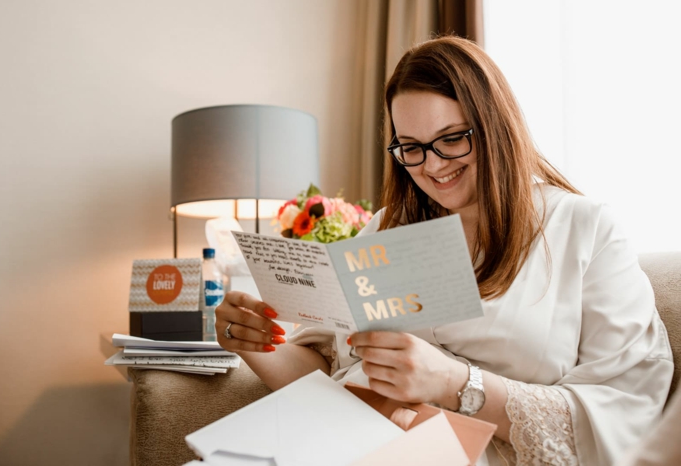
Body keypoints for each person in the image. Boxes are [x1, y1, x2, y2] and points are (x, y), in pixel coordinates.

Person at [214, 36, 673, 465]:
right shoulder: (385, 229)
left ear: (495, 127)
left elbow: (629, 414)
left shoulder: (583, 229)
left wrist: (458, 384)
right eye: (411, 147)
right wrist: (256, 345)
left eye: (452, 139)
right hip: (354, 439)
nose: (433, 166)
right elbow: (329, 373)